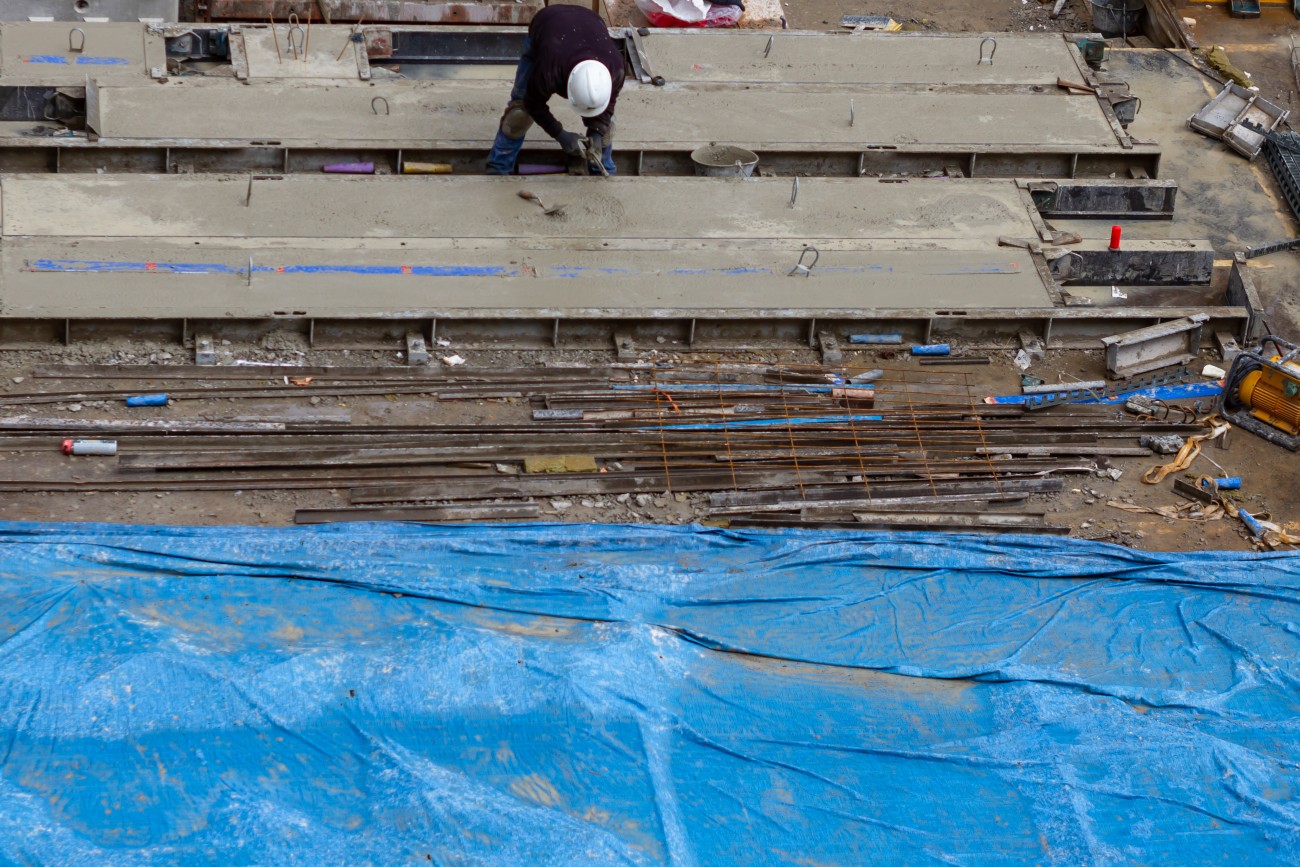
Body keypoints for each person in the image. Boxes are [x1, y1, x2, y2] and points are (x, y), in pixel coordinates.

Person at [485, 5, 623, 176]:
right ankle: (499, 168)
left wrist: (597, 133)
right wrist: (561, 135)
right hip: (547, 24)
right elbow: (533, 103)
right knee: (519, 113)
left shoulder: (615, 69)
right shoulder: (549, 69)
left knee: (605, 126)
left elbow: (608, 105)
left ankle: (603, 170)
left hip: (590, 23)